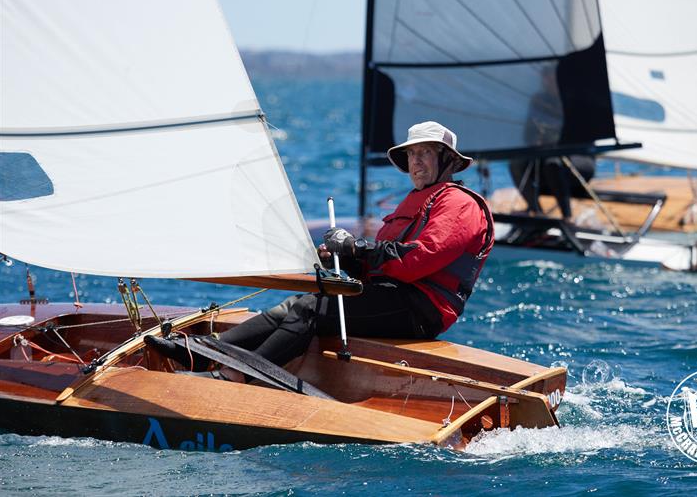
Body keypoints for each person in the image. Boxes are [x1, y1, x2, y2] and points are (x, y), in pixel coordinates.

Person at [146, 121, 494, 379]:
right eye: (412, 154)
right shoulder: (419, 198)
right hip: (395, 297)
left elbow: (416, 261)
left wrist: (357, 247)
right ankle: (202, 352)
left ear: (448, 161)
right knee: (293, 305)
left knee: (310, 309)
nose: (416, 162)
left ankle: (236, 376)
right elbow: (382, 265)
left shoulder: (461, 204)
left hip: (421, 310)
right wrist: (344, 258)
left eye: (426, 153)